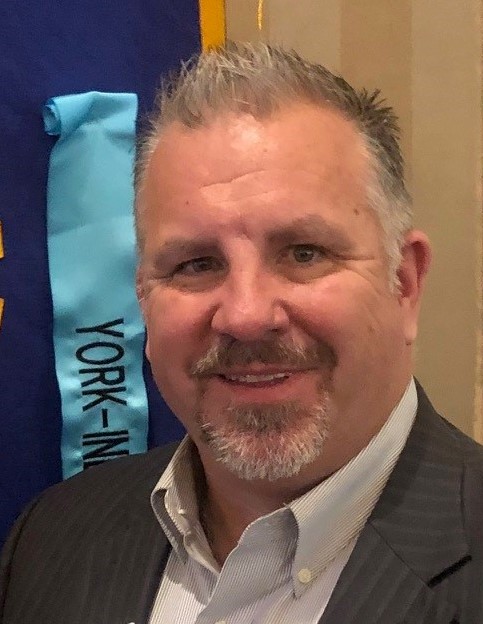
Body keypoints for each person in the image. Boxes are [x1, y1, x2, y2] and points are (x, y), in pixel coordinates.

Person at [1, 42, 482, 624]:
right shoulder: (49, 538)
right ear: (143, 297)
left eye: (304, 253)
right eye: (196, 264)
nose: (246, 315)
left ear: (404, 283)